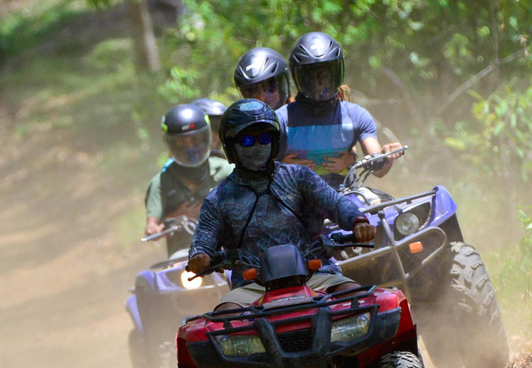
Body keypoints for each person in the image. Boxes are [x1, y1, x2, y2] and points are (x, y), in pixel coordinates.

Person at [187, 99, 376, 310]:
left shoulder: (300, 176)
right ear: (231, 148)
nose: (258, 146)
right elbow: (203, 240)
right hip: (251, 288)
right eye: (248, 140)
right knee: (221, 324)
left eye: (264, 138)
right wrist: (199, 255)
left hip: (316, 274)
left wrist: (358, 221)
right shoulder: (219, 198)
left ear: (275, 142)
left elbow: (337, 203)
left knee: (365, 304)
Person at [278, 32, 403, 190]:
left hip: (345, 199)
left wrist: (386, 158)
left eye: (325, 75)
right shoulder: (280, 119)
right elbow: (258, 171)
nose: (320, 83)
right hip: (295, 201)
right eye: (312, 76)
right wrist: (282, 167)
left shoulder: (357, 116)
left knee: (379, 205)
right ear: (299, 77)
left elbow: (377, 168)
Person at [145, 103, 233, 254]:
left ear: (207, 138)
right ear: (171, 144)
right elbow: (151, 227)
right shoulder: (160, 182)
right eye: (181, 142)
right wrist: (177, 217)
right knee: (147, 278)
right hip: (184, 260)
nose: (190, 147)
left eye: (195, 140)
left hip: (226, 251)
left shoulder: (226, 170)